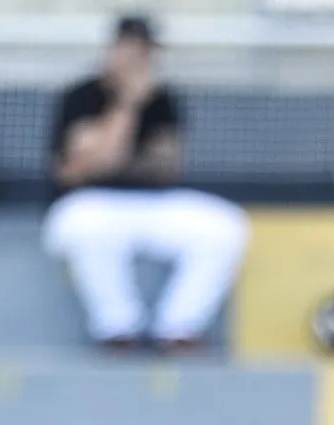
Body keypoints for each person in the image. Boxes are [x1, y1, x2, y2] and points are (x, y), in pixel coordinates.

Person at [43, 14, 249, 353]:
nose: (139, 59)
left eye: (145, 51)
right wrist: (127, 105)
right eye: (131, 49)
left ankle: (179, 327)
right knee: (88, 229)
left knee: (226, 227)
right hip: (89, 203)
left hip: (151, 203)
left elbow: (166, 167)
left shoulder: (163, 100)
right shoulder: (81, 96)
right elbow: (84, 167)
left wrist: (120, 153)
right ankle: (117, 326)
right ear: (114, 49)